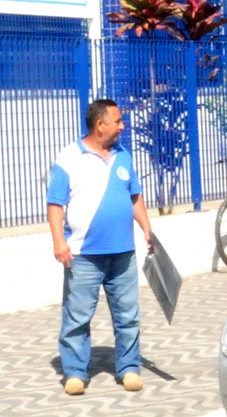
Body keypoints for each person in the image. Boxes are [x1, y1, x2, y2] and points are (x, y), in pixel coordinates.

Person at [45, 98, 156, 396]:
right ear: (100, 124)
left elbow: (135, 197)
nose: (122, 126)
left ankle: (129, 368)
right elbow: (55, 204)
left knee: (128, 315)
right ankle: (75, 373)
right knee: (77, 316)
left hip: (123, 253)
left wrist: (147, 230)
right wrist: (58, 242)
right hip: (83, 255)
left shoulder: (123, 156)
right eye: (117, 121)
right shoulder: (69, 157)